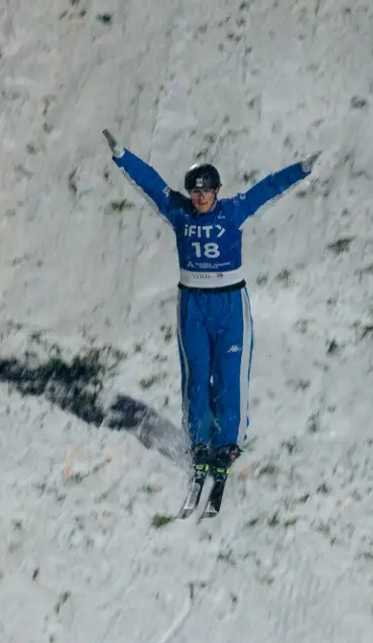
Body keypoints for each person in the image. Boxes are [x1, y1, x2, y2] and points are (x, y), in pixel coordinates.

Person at [102, 128, 319, 518]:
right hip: (193, 305)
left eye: (207, 191)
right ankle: (199, 443)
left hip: (230, 305)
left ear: (217, 191)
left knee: (229, 376)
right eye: (196, 191)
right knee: (197, 376)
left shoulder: (232, 212)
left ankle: (227, 444)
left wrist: (300, 170)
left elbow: (267, 189)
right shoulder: (180, 213)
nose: (201, 197)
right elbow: (151, 184)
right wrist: (122, 155)